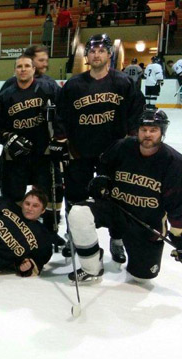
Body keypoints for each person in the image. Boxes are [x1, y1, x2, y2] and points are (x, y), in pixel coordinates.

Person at [68, 109, 182, 284]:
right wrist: (102, 180)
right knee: (78, 212)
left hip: (145, 222)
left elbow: (177, 204)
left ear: (162, 132)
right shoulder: (124, 146)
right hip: (116, 209)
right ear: (137, 131)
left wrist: (180, 237)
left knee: (141, 278)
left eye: (153, 130)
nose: (147, 134)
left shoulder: (173, 162)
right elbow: (104, 163)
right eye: (144, 129)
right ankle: (91, 267)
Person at [56, 34, 144, 260]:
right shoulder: (74, 85)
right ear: (87, 55)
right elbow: (61, 115)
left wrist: (131, 140)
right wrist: (63, 139)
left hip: (114, 153)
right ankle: (73, 236)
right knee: (75, 197)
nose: (96, 54)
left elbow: (136, 112)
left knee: (117, 197)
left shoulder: (124, 83)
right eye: (92, 51)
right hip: (80, 152)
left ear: (109, 54)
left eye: (101, 51)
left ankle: (117, 238)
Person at [0, 54, 66, 249]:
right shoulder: (6, 96)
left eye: (27, 66)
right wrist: (7, 138)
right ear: (14, 70)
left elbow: (62, 115)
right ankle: (17, 231)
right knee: (14, 195)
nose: (23, 69)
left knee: (47, 195)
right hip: (16, 156)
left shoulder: (48, 90)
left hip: (43, 154)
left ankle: (50, 232)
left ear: (34, 69)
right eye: (19, 66)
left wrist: (60, 139)